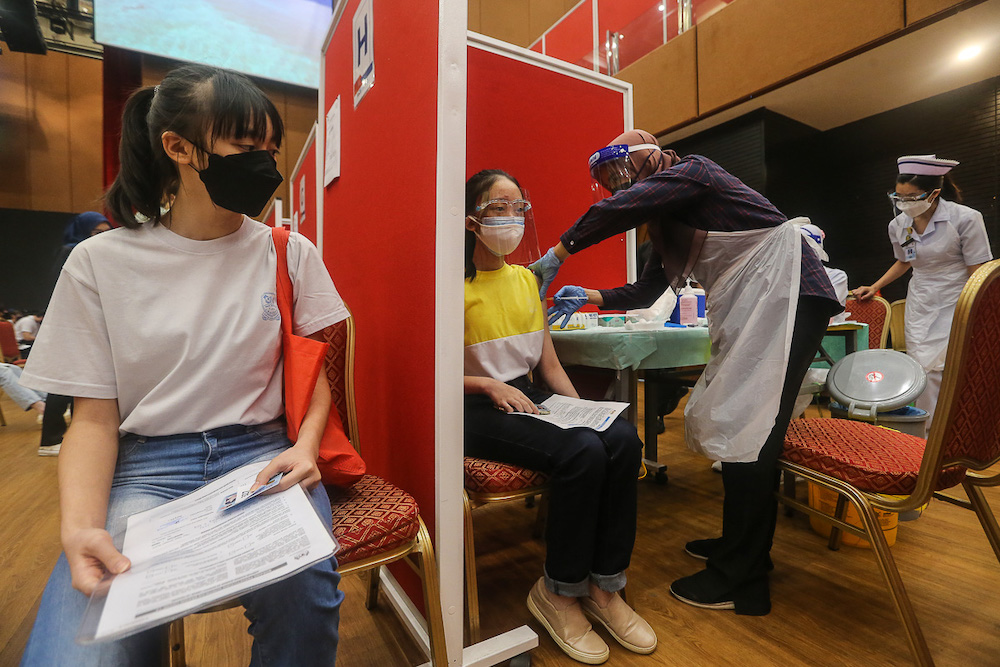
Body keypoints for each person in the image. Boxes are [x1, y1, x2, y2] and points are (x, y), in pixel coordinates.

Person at [18, 64, 345, 665]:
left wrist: (306, 446)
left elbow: (315, 372)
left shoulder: (289, 251)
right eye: (246, 147)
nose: (265, 165)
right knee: (89, 642)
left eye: (271, 149)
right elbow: (91, 419)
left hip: (261, 455)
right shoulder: (99, 263)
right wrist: (81, 526)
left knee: (306, 602)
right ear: (178, 147)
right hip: (145, 467)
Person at [532, 130, 842, 616]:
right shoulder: (670, 218)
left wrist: (558, 252)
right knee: (745, 424)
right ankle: (737, 548)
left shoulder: (693, 170)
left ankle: (744, 580)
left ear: (650, 154)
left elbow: (620, 210)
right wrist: (589, 296)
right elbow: (644, 290)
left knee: (754, 429)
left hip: (789, 296)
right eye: (607, 180)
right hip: (769, 299)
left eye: (620, 172)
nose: (617, 186)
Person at [464, 169, 656, 664]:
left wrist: (585, 410)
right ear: (470, 220)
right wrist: (487, 383)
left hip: (528, 396)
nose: (510, 218)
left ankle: (605, 587)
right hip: (472, 406)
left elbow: (547, 364)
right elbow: (430, 374)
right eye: (497, 208)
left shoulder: (528, 281)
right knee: (581, 451)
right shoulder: (449, 284)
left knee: (621, 439)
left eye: (517, 207)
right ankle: (559, 591)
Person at [853, 155, 991, 435]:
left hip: (957, 299)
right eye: (898, 196)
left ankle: (941, 434)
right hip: (921, 301)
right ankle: (922, 435)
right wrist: (874, 284)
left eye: (911, 197)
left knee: (943, 369)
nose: (904, 203)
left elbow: (977, 270)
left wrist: (976, 309)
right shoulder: (900, 225)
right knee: (920, 368)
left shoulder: (965, 218)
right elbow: (905, 260)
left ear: (934, 193)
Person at [36, 212, 114, 457]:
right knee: (63, 382)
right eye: (97, 233)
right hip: (71, 326)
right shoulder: (73, 251)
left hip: (83, 324)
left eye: (106, 232)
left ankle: (62, 436)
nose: (103, 237)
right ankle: (50, 439)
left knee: (77, 382)